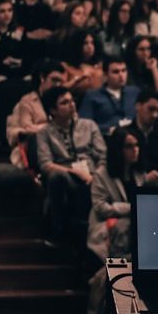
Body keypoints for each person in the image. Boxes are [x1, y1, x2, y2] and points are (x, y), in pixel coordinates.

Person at [36, 87, 106, 245]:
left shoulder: (89, 125)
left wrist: (96, 177)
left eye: (72, 101)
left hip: (94, 176)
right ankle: (58, 230)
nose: (72, 105)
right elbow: (46, 165)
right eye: (65, 103)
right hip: (68, 179)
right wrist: (75, 172)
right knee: (55, 177)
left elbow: (103, 156)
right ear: (53, 110)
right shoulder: (44, 133)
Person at [86, 127, 157, 262]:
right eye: (129, 146)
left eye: (137, 145)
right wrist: (132, 208)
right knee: (125, 225)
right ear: (118, 149)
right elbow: (101, 208)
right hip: (107, 226)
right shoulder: (102, 174)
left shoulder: (139, 173)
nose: (135, 149)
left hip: (135, 225)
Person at [78, 56, 139, 133]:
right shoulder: (92, 95)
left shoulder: (134, 92)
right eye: (116, 72)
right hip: (107, 137)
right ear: (105, 75)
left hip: (134, 136)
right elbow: (84, 126)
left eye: (124, 71)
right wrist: (108, 129)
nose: (121, 75)